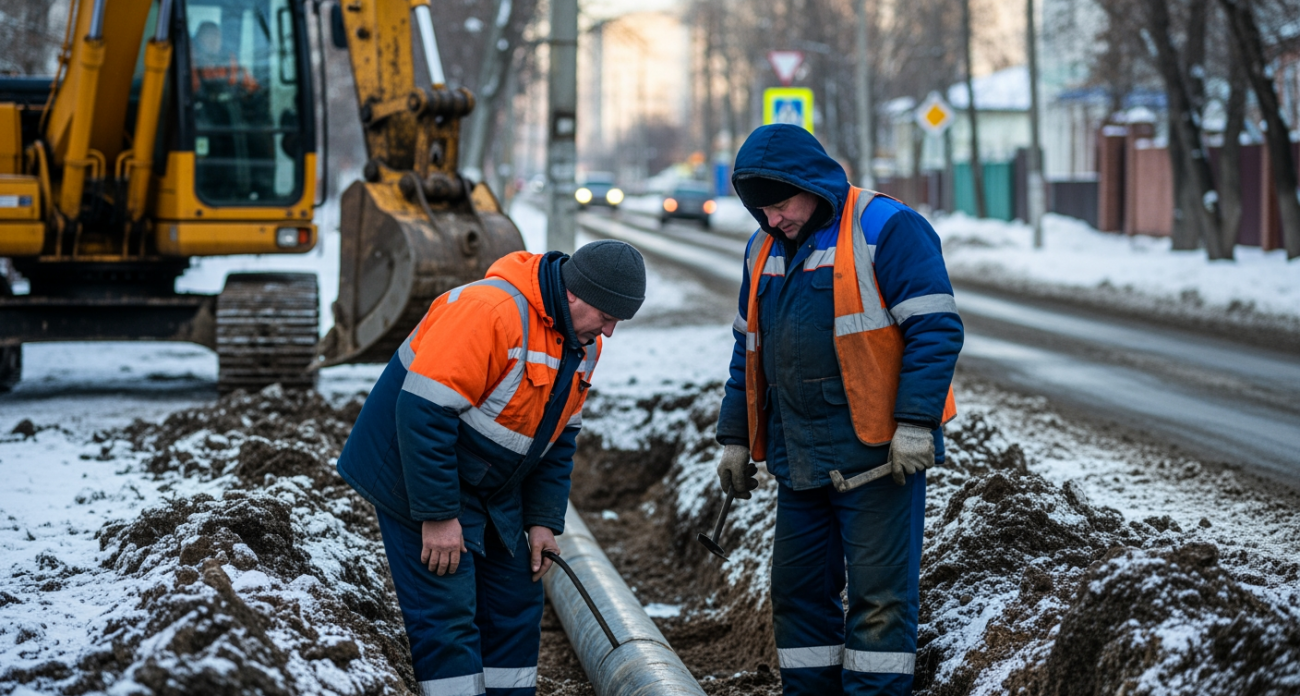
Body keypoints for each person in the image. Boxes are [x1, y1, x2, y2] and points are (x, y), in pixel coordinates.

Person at [714, 124, 962, 696]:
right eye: (761, 210)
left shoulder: (885, 227)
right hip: (798, 458)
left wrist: (916, 423)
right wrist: (735, 437)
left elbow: (935, 329)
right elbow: (747, 350)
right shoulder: (761, 248)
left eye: (780, 204)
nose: (772, 219)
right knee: (798, 595)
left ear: (810, 184)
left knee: (879, 602)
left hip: (876, 459)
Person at [337, 241, 646, 696]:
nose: (610, 331)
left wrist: (542, 521)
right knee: (447, 612)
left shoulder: (584, 343)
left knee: (514, 602)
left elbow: (559, 439)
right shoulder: (489, 312)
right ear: (574, 293)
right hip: (414, 472)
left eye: (619, 320)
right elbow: (423, 414)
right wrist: (438, 516)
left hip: (490, 482)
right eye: (606, 316)